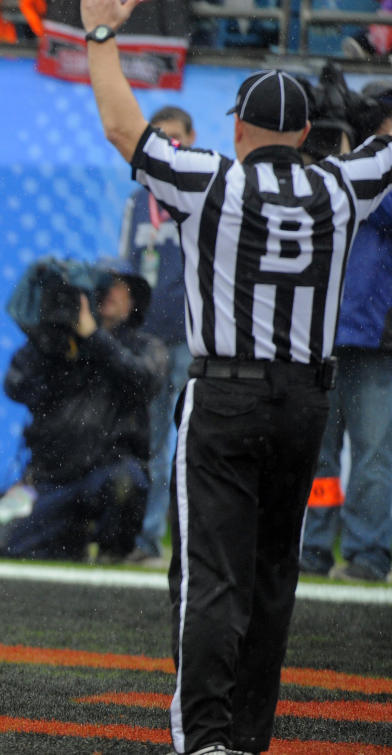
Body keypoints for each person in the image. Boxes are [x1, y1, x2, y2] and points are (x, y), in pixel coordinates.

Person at [80, 0, 392, 748]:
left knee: (210, 576)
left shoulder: (214, 182)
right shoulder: (341, 187)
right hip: (302, 404)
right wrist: (378, 110)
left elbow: (126, 129)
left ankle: (209, 736)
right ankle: (248, 735)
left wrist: (100, 35)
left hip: (226, 395)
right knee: (272, 579)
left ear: (241, 130)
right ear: (310, 134)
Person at [0, 262, 165, 562]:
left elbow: (143, 380)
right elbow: (17, 386)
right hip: (53, 474)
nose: (108, 293)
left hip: (108, 469)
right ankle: (68, 537)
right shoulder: (60, 342)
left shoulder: (146, 346)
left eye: (117, 286)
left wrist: (94, 337)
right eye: (102, 285)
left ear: (134, 301)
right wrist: (46, 337)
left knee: (126, 482)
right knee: (0, 543)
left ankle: (114, 550)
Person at [299, 80, 392, 584]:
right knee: (320, 453)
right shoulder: (345, 170)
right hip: (323, 333)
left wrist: (360, 155)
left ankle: (369, 553)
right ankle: (314, 547)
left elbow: (379, 204)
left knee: (374, 455)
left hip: (379, 339)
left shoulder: (365, 173)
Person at [120, 106, 196, 567]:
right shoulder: (138, 200)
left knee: (189, 447)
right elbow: (128, 267)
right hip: (147, 341)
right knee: (150, 445)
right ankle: (146, 540)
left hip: (188, 339)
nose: (169, 147)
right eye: (160, 139)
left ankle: (187, 547)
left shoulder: (198, 197)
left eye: (176, 138)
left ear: (191, 138)